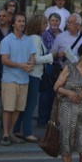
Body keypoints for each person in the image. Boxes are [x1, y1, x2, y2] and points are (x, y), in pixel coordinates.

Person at [13, 14, 54, 143]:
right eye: (44, 24)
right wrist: (51, 57)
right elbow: (35, 59)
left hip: (32, 75)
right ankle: (27, 132)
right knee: (30, 105)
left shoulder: (32, 37)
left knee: (24, 105)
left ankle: (17, 129)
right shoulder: (35, 38)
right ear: (38, 25)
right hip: (33, 75)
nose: (45, 26)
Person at [0, 12, 35, 146]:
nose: (22, 23)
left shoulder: (28, 40)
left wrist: (30, 63)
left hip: (24, 79)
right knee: (8, 108)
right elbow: (4, 60)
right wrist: (21, 65)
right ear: (13, 24)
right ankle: (5, 134)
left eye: (23, 21)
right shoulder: (6, 40)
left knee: (18, 109)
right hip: (10, 79)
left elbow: (32, 56)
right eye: (19, 21)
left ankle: (11, 132)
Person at [38, 12, 63, 126]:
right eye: (52, 20)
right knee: (46, 93)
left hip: (61, 67)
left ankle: (53, 120)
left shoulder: (62, 34)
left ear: (60, 22)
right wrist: (56, 54)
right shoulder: (44, 34)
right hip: (49, 66)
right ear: (49, 22)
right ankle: (42, 120)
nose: (54, 23)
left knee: (56, 94)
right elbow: (44, 51)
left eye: (57, 21)